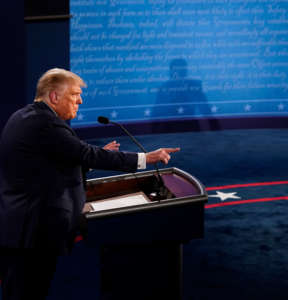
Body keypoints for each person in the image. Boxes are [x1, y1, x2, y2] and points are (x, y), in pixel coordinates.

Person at [0, 68, 180, 299]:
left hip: (21, 225)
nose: (80, 100)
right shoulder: (47, 124)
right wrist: (147, 158)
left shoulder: (25, 116)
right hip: (34, 231)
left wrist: (87, 159)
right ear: (54, 96)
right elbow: (86, 153)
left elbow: (51, 164)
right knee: (28, 290)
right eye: (74, 94)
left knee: (21, 289)